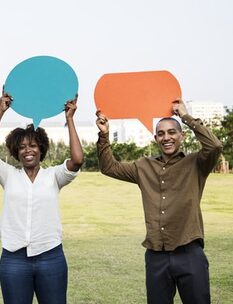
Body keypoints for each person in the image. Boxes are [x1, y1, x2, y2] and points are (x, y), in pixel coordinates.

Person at [95, 99, 223, 304]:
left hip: (189, 253)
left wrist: (185, 117)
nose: (167, 137)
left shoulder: (197, 163)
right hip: (156, 256)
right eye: (161, 134)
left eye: (172, 132)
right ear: (156, 138)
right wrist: (103, 134)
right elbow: (109, 167)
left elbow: (215, 145)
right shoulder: (143, 167)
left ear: (181, 136)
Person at [0, 89, 84, 304]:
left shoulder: (54, 175)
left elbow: (77, 160)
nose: (28, 150)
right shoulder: (8, 174)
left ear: (41, 149)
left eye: (33, 145)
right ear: (16, 152)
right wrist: (0, 111)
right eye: (22, 147)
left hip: (50, 256)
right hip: (13, 258)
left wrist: (69, 119)